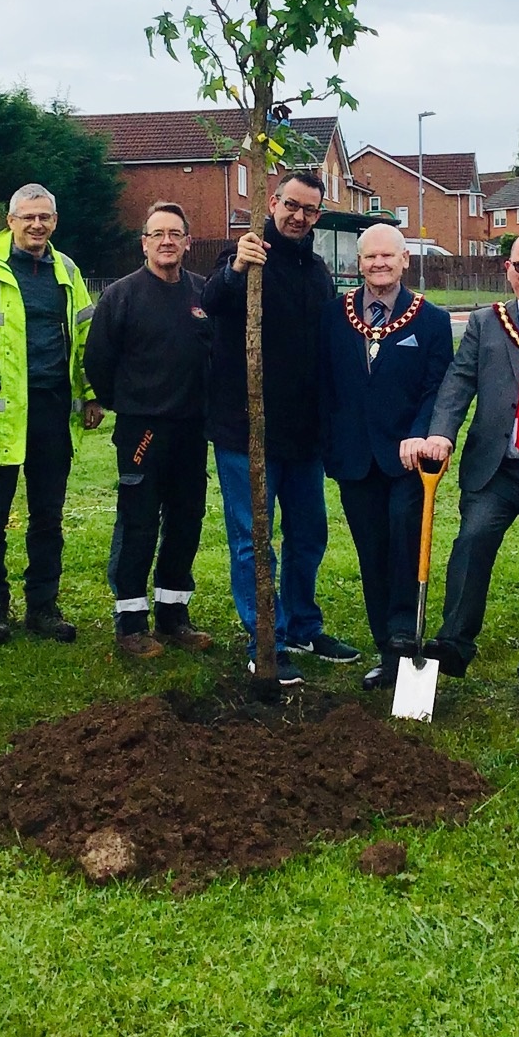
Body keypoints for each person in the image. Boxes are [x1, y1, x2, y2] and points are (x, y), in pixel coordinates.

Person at [414, 231, 519, 710]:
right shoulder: (486, 324)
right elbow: (459, 380)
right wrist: (442, 432)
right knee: (470, 545)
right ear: (507, 270)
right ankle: (454, 642)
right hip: (496, 470)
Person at [203, 168, 361, 685]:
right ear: (272, 202)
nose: (298, 216)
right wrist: (233, 271)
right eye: (291, 205)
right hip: (246, 431)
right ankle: (263, 638)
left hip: (303, 435)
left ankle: (301, 624)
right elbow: (212, 300)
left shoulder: (316, 270)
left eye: (309, 209)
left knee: (309, 534)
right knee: (253, 538)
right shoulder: (245, 256)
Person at [319, 223, 454, 690]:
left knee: (404, 542)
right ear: (359, 263)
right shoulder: (334, 315)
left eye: (388, 256)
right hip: (354, 458)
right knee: (371, 552)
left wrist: (421, 437)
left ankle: (406, 638)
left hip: (408, 461)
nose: (379, 264)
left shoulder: (432, 321)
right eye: (370, 257)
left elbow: (437, 388)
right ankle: (387, 652)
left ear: (404, 261)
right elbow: (324, 384)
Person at [0, 184, 98, 644]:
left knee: (48, 516)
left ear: (55, 222)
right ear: (10, 221)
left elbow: (86, 337)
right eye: (28, 217)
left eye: (44, 217)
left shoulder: (66, 270)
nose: (36, 225)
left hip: (52, 409)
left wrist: (92, 394)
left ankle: (42, 606)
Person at [84, 200, 215, 658]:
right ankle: (130, 622)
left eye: (174, 234)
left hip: (192, 430)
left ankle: (174, 613)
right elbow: (98, 361)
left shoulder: (203, 294)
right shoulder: (121, 296)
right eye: (157, 234)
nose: (166, 242)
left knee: (185, 521)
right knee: (138, 522)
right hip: (143, 430)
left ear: (187, 242)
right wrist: (129, 405)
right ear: (144, 242)